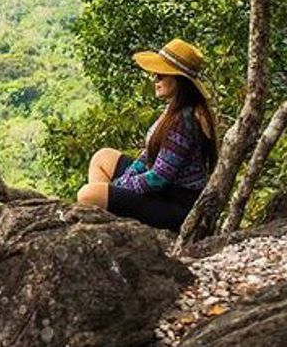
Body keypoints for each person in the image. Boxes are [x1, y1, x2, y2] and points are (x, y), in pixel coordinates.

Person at [76, 38, 218, 232]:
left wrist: (118, 186)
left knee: (88, 195)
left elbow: (158, 178)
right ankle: (109, 216)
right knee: (103, 157)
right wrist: (125, 180)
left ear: (178, 80)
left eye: (161, 75)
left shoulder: (184, 121)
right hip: (166, 190)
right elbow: (148, 155)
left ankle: (108, 219)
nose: (155, 79)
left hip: (177, 204)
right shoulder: (174, 110)